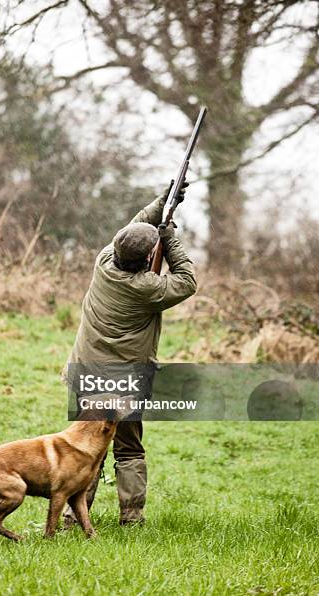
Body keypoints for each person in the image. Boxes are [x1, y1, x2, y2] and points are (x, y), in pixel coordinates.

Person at [63, 183, 197, 526]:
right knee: (129, 449)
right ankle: (132, 518)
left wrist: (164, 202)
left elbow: (134, 226)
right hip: (124, 382)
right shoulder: (146, 288)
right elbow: (187, 280)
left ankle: (72, 518)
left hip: (85, 372)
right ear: (145, 261)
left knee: (84, 445)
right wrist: (169, 239)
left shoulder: (104, 261)